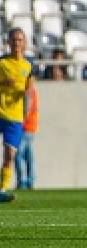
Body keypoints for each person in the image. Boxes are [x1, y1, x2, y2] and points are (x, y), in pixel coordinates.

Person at [0, 28, 35, 204]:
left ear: (25, 43)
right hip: (0, 112)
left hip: (14, 117)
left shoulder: (28, 65)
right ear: (8, 42)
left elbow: (30, 87)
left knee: (10, 156)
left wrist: (27, 94)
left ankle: (1, 189)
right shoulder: (2, 63)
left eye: (20, 40)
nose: (17, 43)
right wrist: (3, 82)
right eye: (13, 39)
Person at [14, 79, 37, 190]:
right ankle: (30, 180)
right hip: (31, 128)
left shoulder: (27, 92)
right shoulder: (34, 91)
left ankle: (22, 181)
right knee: (29, 156)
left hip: (24, 127)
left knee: (18, 155)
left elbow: (26, 110)